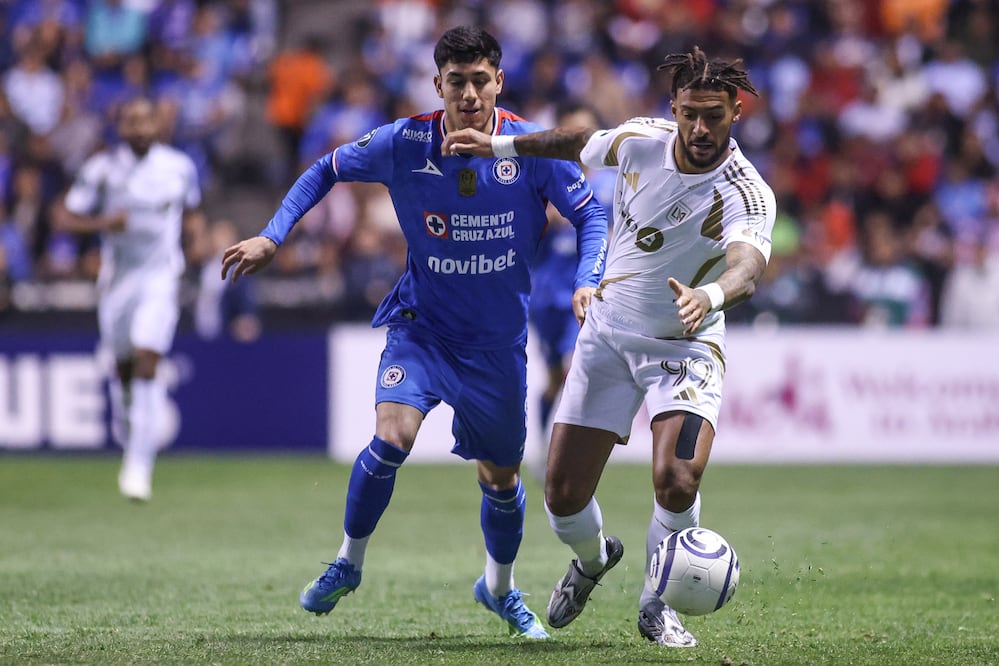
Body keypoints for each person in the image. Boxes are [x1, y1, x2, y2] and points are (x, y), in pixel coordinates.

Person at [221, 26, 608, 639]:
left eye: (480, 81)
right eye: (457, 82)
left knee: (501, 479)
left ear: (498, 81)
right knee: (392, 437)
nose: (469, 95)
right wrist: (274, 235)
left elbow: (592, 215)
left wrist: (588, 279)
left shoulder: (529, 147)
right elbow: (325, 168)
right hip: (421, 329)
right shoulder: (404, 142)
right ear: (438, 85)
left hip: (497, 346)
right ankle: (348, 562)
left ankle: (499, 589)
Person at [443, 47, 776, 647]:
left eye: (714, 116)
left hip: (685, 346)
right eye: (690, 114)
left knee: (677, 479)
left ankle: (657, 603)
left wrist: (710, 296)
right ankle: (594, 559)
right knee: (562, 497)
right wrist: (496, 146)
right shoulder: (639, 141)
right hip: (607, 335)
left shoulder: (745, 191)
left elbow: (747, 267)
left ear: (736, 112)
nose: (701, 129)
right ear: (673, 109)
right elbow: (574, 143)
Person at [57, 96, 203, 502]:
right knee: (123, 368)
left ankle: (139, 466)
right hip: (117, 281)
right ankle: (129, 426)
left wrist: (197, 240)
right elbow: (64, 217)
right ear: (120, 127)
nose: (139, 129)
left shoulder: (179, 167)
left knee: (146, 356)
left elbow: (192, 211)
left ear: (157, 125)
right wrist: (105, 222)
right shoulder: (102, 169)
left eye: (146, 121)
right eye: (131, 122)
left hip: (160, 276)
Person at [527, 103, 613, 467]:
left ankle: (570, 458)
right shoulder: (545, 177)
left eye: (586, 132)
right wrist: (544, 220)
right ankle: (542, 449)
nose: (580, 141)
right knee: (554, 378)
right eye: (572, 132)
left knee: (578, 367)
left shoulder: (612, 183)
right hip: (546, 296)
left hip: (587, 295)